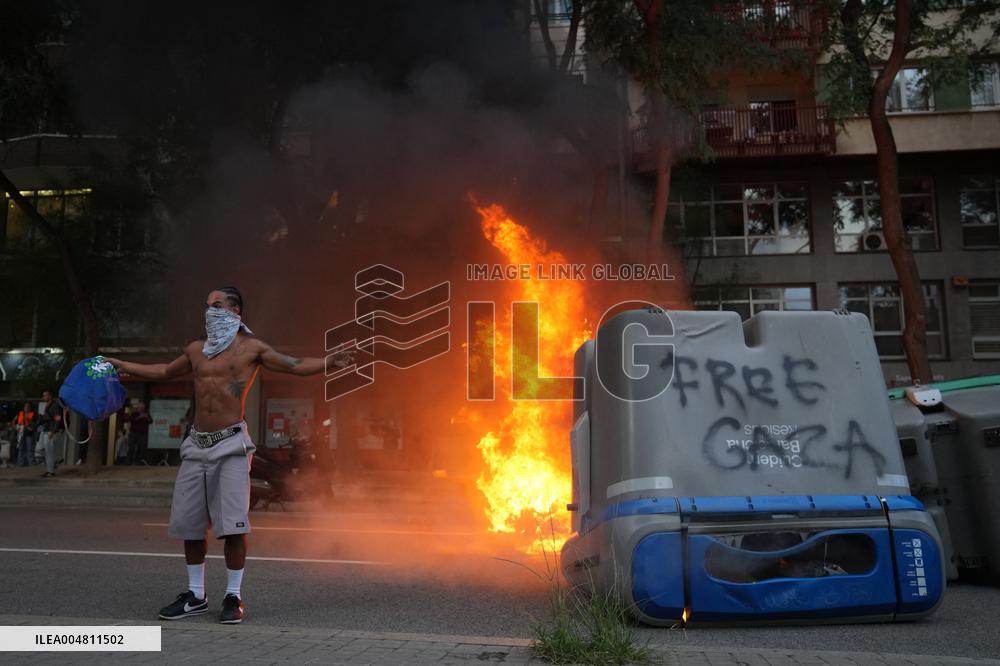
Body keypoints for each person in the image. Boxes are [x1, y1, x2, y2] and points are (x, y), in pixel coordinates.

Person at [105, 286, 350, 625]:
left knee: (234, 526)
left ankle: (233, 596)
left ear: (235, 311)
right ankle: (196, 595)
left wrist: (328, 361)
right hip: (196, 445)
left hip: (231, 444)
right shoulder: (195, 350)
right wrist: (120, 365)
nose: (209, 311)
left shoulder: (252, 349)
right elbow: (162, 371)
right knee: (191, 526)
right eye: (207, 306)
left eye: (216, 305)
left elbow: (294, 365)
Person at [37, 390, 63, 478]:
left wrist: (53, 430)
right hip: (45, 430)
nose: (45, 397)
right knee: (43, 449)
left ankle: (50, 470)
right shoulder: (45, 406)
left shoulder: (54, 406)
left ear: (50, 396)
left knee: (49, 451)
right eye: (44, 395)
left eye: (47, 395)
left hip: (50, 431)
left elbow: (57, 418)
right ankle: (54, 463)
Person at [12, 402, 36, 468]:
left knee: (30, 449)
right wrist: (15, 427)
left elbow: (34, 424)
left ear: (30, 408)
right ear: (24, 407)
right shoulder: (20, 414)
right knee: (21, 449)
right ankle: (20, 464)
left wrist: (27, 422)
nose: (26, 408)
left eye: (28, 406)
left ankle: (31, 465)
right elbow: (14, 421)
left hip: (29, 434)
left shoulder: (33, 414)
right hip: (20, 434)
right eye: (25, 406)